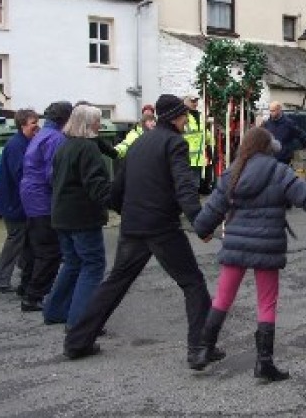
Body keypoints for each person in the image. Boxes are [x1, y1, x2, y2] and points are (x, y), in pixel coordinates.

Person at [62, 95, 217, 362]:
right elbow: (185, 188)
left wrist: (129, 213)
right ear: (177, 117)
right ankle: (199, 348)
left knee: (115, 283)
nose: (186, 121)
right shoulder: (175, 144)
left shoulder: (138, 143)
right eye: (185, 117)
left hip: (133, 226)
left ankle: (77, 341)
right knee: (192, 282)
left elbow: (115, 190)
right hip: (162, 227)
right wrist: (200, 223)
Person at [190, 127, 306, 379]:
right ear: (268, 147)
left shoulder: (233, 172)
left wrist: (202, 229)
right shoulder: (278, 171)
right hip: (267, 245)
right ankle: (264, 363)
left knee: (222, 298)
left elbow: (210, 211)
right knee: (266, 302)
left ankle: (202, 351)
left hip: (236, 246)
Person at [43, 105, 111, 329]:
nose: (100, 126)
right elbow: (96, 186)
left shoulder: (65, 146)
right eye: (97, 122)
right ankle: (81, 322)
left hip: (61, 214)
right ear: (89, 124)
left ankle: (55, 309)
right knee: (92, 265)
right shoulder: (87, 148)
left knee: (73, 263)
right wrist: (118, 201)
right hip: (82, 217)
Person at [19, 101, 73, 312]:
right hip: (42, 198)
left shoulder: (43, 135)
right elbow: (53, 173)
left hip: (30, 195)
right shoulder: (56, 138)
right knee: (50, 251)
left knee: (35, 245)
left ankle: (26, 288)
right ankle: (34, 296)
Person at [0, 108, 40, 293]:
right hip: (13, 202)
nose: (37, 126)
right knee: (16, 239)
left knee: (25, 238)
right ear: (22, 124)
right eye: (33, 123)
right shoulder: (16, 146)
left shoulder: (24, 142)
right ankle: (0, 279)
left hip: (16, 201)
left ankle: (26, 274)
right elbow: (21, 174)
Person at [263, 101, 306, 166]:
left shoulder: (288, 123)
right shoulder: (267, 123)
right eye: (270, 111)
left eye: (273, 111)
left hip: (284, 158)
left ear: (279, 110)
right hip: (271, 157)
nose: (271, 113)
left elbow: (300, 134)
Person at [182, 95, 213, 192]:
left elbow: (204, 132)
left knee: (195, 187)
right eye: (192, 101)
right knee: (188, 187)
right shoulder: (183, 116)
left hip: (199, 159)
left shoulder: (200, 115)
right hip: (186, 159)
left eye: (196, 101)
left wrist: (212, 143)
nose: (195, 103)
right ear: (185, 102)